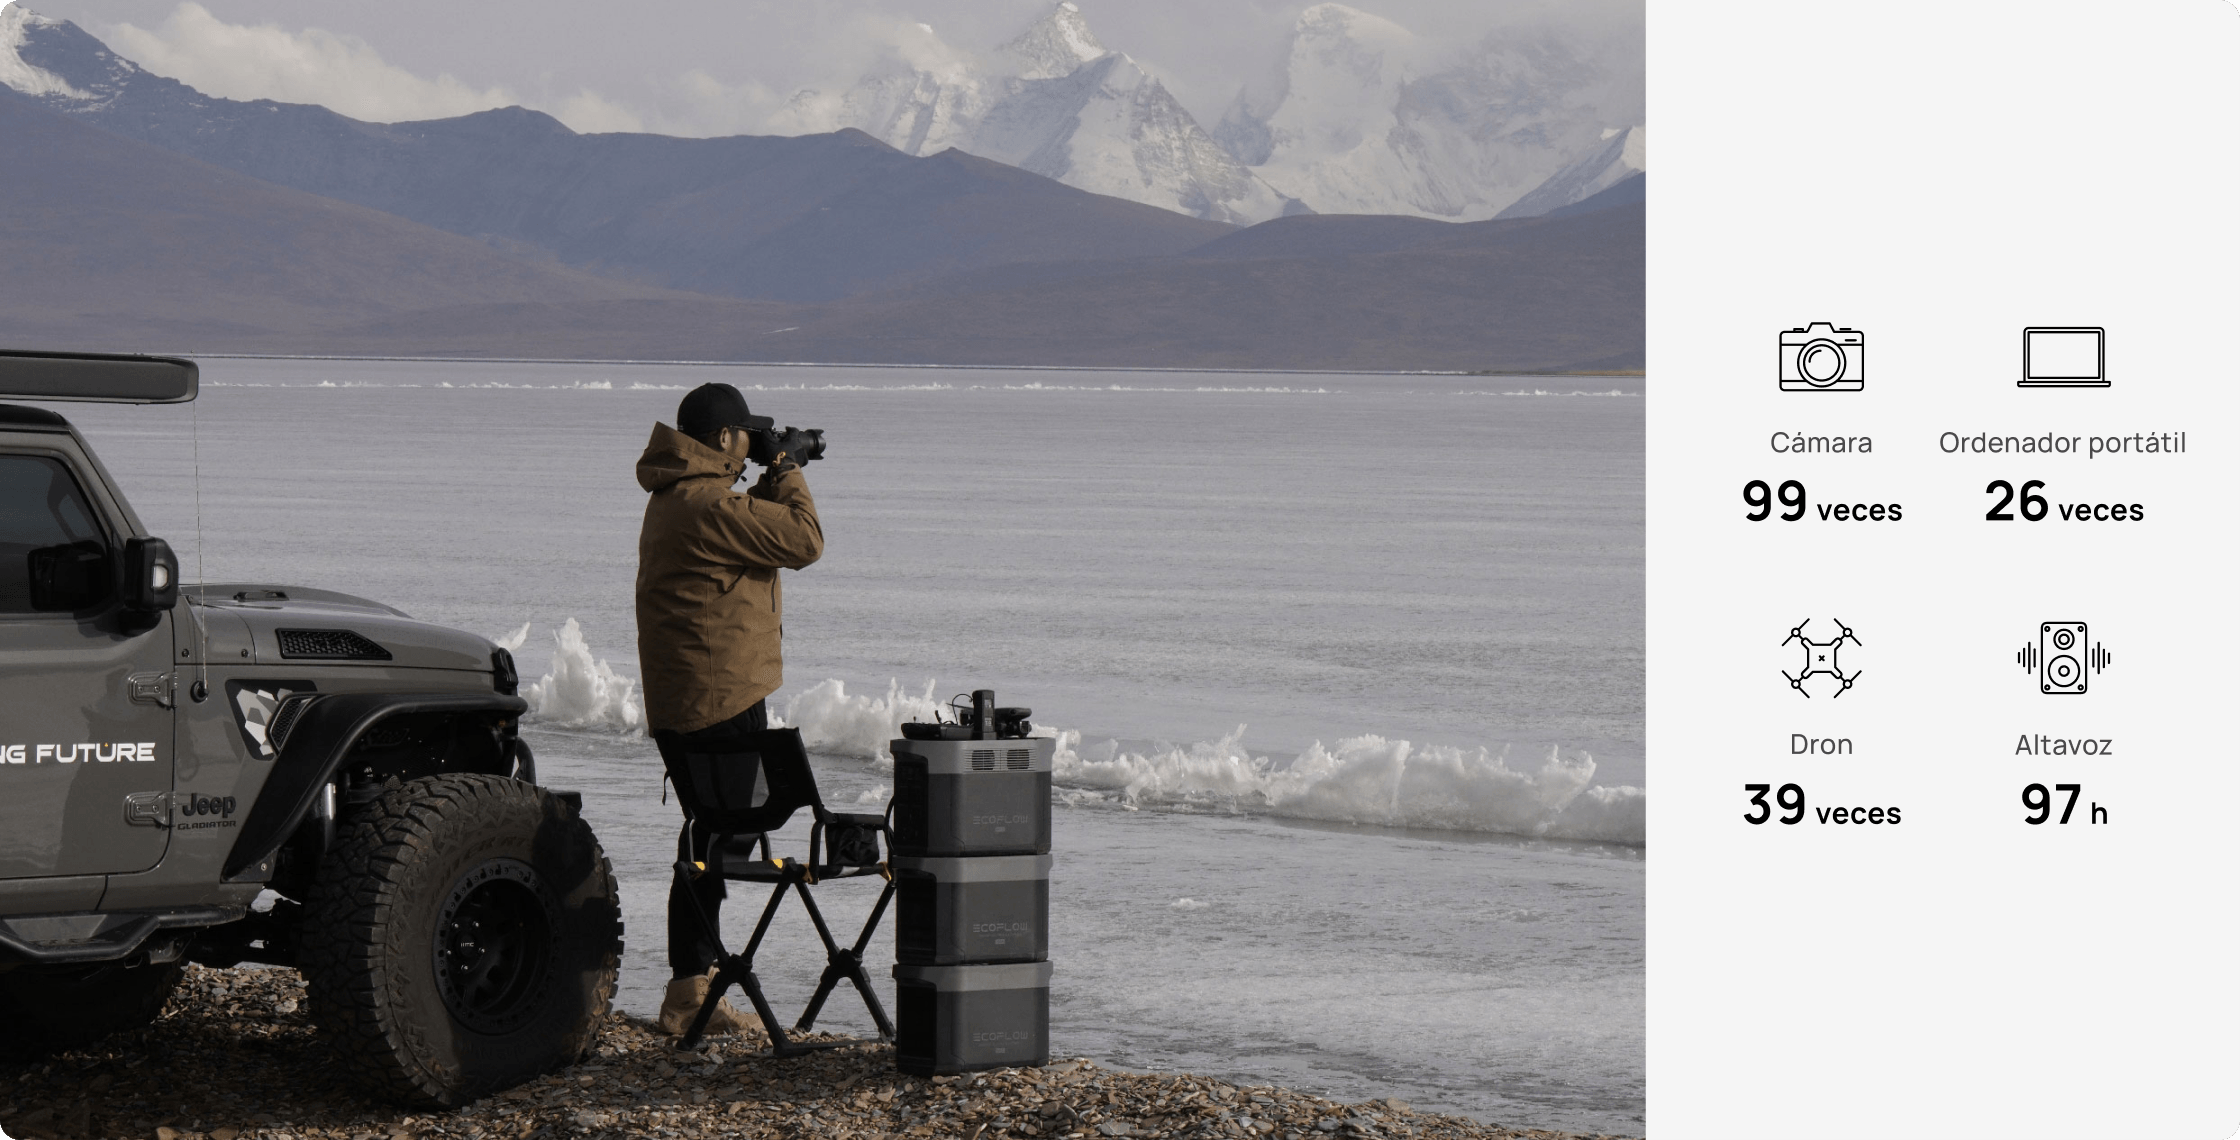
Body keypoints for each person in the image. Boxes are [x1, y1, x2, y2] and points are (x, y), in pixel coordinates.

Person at [634, 382, 823, 1035]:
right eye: (745, 435)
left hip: (694, 693)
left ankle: (693, 985)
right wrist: (787, 466)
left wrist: (770, 469)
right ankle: (689, 990)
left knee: (711, 835)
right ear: (722, 440)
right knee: (722, 836)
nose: (751, 444)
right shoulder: (706, 503)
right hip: (719, 696)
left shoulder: (684, 499)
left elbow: (751, 533)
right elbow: (802, 541)